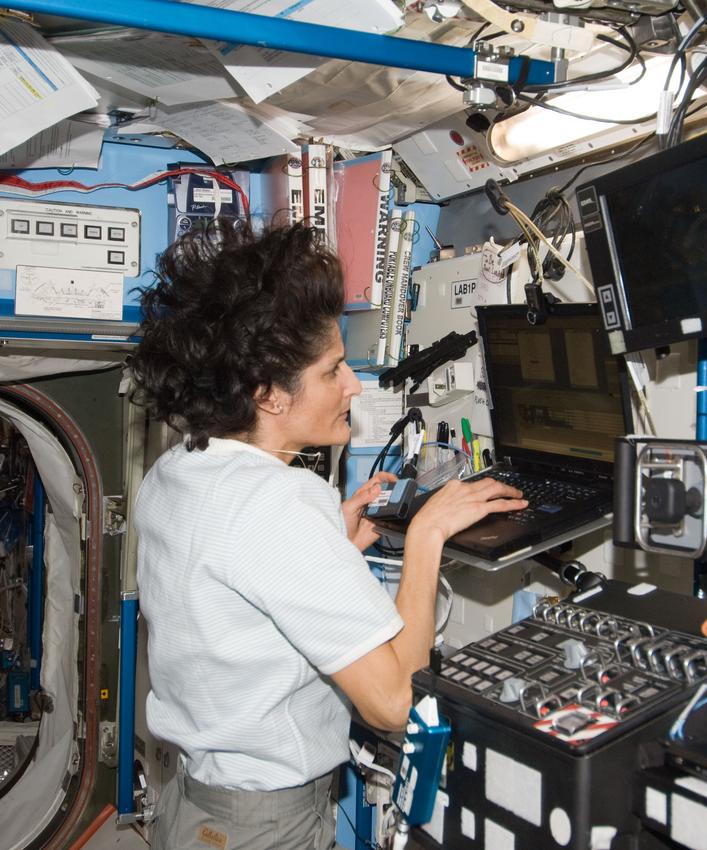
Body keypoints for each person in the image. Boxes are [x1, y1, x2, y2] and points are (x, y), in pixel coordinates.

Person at [129, 222, 526, 850]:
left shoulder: (176, 471)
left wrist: (330, 546)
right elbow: (394, 702)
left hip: (198, 805)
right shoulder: (279, 502)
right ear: (269, 395)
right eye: (332, 370)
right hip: (266, 828)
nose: (353, 385)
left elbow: (225, 588)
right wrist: (426, 537)